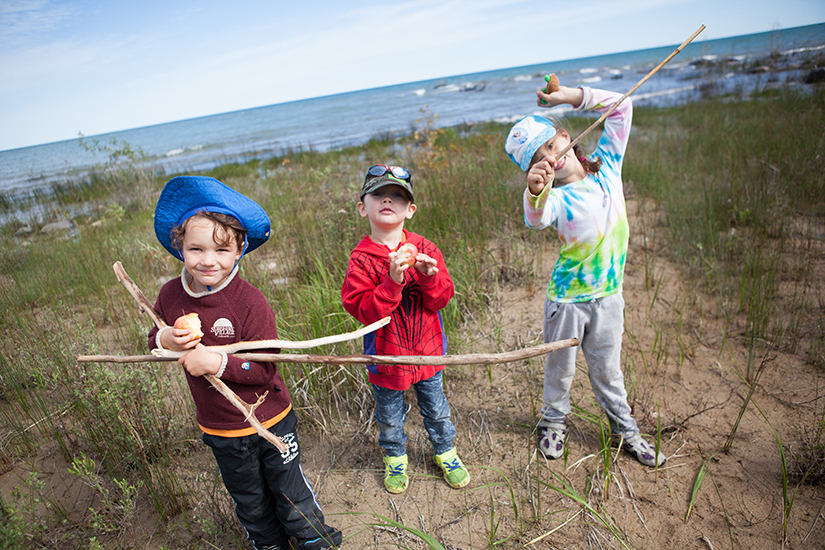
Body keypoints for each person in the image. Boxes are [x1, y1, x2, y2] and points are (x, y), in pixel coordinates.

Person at [148, 176, 342, 550]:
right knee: (250, 501)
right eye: (196, 249)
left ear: (239, 249)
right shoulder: (171, 295)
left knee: (289, 494)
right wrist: (167, 339)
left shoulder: (250, 302)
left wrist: (216, 363)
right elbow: (153, 337)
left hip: (270, 417)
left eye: (221, 250)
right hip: (221, 427)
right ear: (179, 247)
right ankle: (268, 545)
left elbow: (266, 368)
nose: (207, 260)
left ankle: (315, 542)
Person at [504, 82, 666, 467]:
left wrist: (572, 97)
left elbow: (622, 108)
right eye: (535, 160)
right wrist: (535, 192)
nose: (548, 158)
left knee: (608, 371)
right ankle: (553, 422)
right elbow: (536, 220)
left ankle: (626, 430)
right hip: (567, 302)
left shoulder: (607, 165)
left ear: (564, 136)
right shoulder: (555, 198)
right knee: (561, 370)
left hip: (609, 296)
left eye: (549, 145)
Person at [340, 165, 471, 494]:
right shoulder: (361, 259)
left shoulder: (425, 248)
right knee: (389, 415)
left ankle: (445, 451)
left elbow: (441, 299)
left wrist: (428, 275)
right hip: (386, 354)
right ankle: (395, 457)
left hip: (427, 350)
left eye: (398, 196)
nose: (388, 200)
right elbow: (363, 310)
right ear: (363, 207)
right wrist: (392, 281)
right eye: (379, 195)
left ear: (409, 210)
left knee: (437, 408)